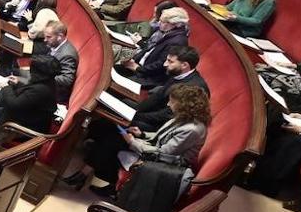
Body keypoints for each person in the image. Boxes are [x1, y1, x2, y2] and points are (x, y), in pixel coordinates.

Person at [67, 83, 209, 196]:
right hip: (157, 150)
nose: (168, 105)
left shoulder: (193, 129)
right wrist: (141, 134)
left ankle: (86, 177)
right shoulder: (183, 117)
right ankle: (84, 175)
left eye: (172, 102)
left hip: (166, 164)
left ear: (183, 105)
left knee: (112, 142)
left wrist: (132, 142)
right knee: (113, 135)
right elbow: (160, 135)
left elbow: (164, 153)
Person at [0, 54, 58, 157]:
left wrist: (6, 87)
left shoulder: (40, 90)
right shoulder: (47, 81)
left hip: (24, 127)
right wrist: (18, 81)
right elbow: (30, 87)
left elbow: (14, 104)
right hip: (24, 115)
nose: (29, 71)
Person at [119, 6, 189, 87]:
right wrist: (133, 61)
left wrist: (138, 69)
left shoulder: (177, 41)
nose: (159, 23)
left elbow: (162, 64)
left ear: (174, 24)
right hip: (142, 68)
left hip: (150, 77)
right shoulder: (169, 33)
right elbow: (149, 50)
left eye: (162, 21)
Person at [41, 20, 78, 99]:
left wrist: (44, 77)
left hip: (55, 91)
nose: (45, 40)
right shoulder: (56, 44)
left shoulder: (67, 55)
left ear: (60, 36)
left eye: (48, 37)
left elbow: (67, 79)